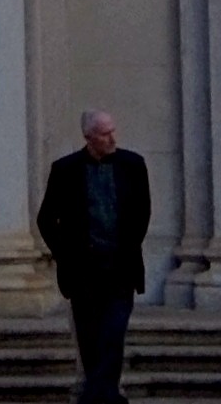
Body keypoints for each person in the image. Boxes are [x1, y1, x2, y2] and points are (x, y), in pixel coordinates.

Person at [35, 110, 152, 403]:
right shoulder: (65, 169)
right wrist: (65, 255)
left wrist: (128, 246)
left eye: (113, 130)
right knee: (89, 337)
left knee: (113, 333)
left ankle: (101, 393)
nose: (112, 138)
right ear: (88, 138)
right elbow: (47, 218)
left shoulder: (133, 165)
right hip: (83, 270)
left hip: (120, 267)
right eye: (104, 134)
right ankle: (102, 393)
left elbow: (142, 211)